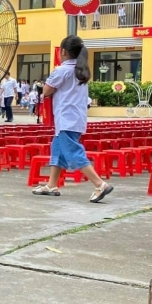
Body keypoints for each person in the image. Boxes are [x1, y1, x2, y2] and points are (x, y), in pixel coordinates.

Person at [32, 35, 114, 203]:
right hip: (76, 118)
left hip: (65, 119)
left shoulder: (62, 70)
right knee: (58, 149)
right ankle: (52, 184)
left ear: (63, 52)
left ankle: (99, 184)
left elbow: (47, 91)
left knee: (73, 153)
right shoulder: (81, 71)